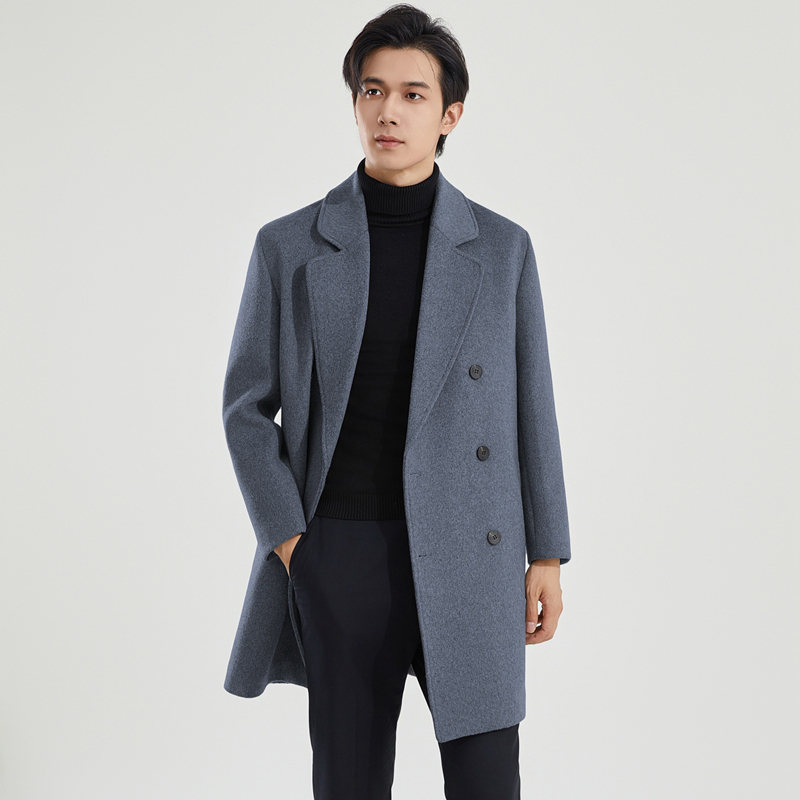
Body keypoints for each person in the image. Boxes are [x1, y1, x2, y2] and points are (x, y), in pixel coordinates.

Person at [221, 5, 571, 798]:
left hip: (474, 556)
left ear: (450, 115)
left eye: (413, 95)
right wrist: (293, 544)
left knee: (487, 783)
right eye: (372, 91)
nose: (388, 111)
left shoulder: (502, 249)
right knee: (349, 784)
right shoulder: (290, 247)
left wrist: (547, 553)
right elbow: (245, 409)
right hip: (340, 554)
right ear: (354, 103)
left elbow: (533, 407)